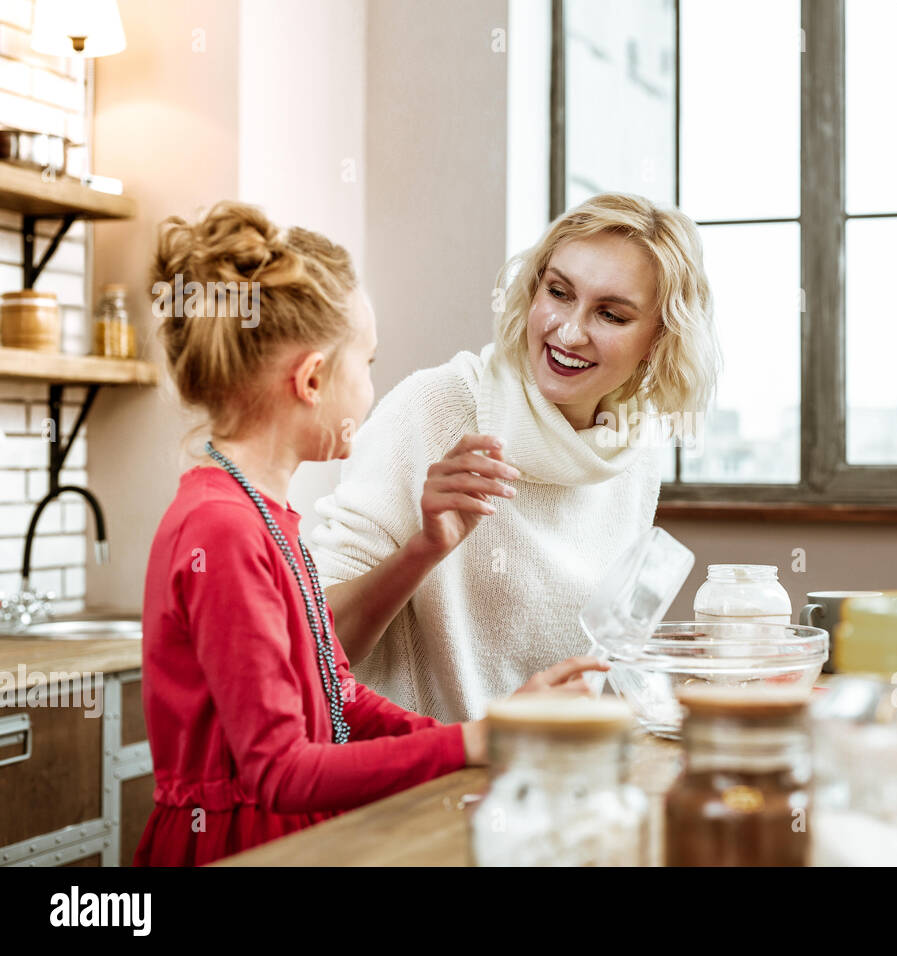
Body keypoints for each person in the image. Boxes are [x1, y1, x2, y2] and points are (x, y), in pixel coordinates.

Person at [134, 201, 604, 865]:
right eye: (368, 363)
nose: (373, 389)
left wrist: (478, 735)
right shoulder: (225, 529)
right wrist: (475, 743)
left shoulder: (264, 512)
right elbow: (282, 772)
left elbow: (336, 692)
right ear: (313, 378)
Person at [313, 192, 720, 722]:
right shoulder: (434, 408)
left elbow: (598, 663)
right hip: (421, 777)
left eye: (611, 315)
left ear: (657, 339)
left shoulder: (632, 450)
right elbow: (316, 649)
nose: (569, 331)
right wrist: (423, 549)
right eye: (558, 292)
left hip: (548, 766)